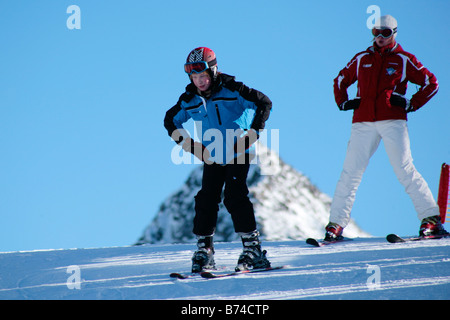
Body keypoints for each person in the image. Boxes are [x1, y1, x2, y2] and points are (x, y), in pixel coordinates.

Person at [326, 15, 447, 241]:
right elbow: (340, 79)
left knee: (404, 168)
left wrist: (412, 102)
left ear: (394, 33)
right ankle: (335, 225)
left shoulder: (403, 59)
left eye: (385, 33)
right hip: (362, 122)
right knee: (350, 173)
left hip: (392, 120)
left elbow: (431, 82)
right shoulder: (362, 58)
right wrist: (343, 101)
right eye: (376, 33)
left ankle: (430, 219)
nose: (380, 37)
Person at [164, 47, 272, 272]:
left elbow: (264, 103)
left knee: (235, 196)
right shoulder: (190, 99)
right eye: (194, 77)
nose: (199, 82)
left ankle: (253, 251)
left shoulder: (233, 90)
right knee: (205, 199)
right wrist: (190, 145)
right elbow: (170, 120)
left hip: (237, 151)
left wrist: (251, 135)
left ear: (213, 71)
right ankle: (205, 251)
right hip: (212, 157)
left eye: (202, 76)